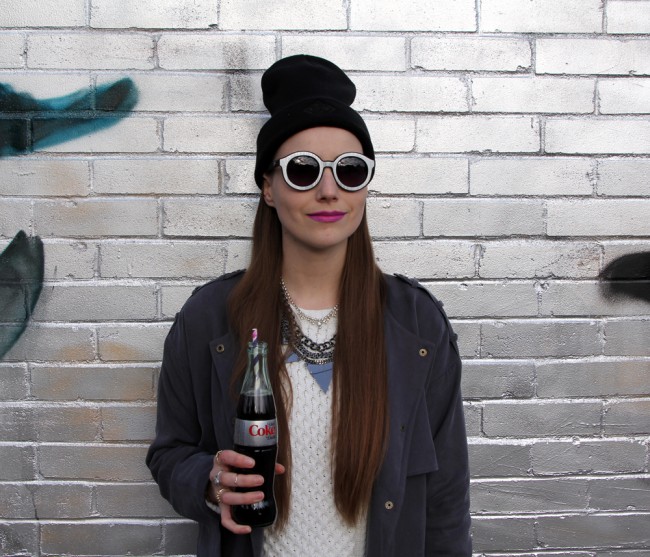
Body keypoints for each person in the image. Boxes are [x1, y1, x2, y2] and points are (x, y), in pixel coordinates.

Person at [146, 54, 472, 557]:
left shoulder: (417, 322)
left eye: (349, 171)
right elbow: (170, 453)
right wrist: (209, 482)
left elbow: (446, 496)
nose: (328, 191)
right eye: (302, 171)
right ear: (268, 188)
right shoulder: (209, 318)